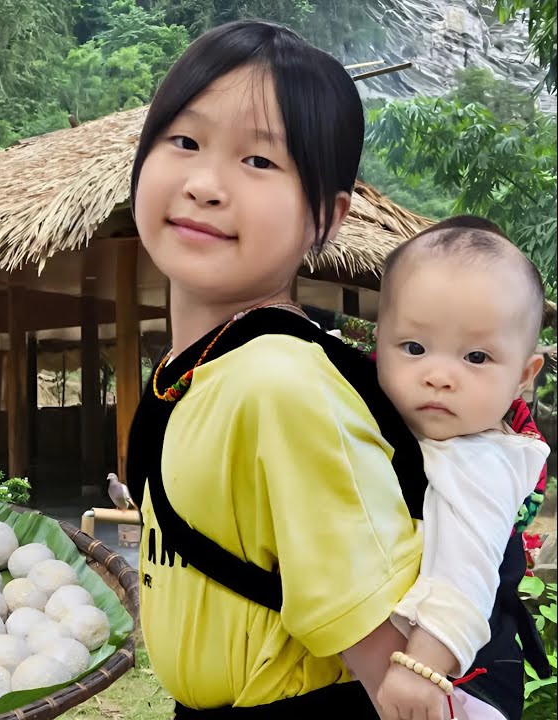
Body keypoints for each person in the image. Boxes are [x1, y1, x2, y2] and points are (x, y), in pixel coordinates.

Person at [122, 20, 425, 716]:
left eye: (259, 161)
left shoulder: (281, 384)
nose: (206, 185)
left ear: (327, 217)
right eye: (185, 142)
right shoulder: (190, 369)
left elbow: (393, 672)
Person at [371, 222, 549, 720]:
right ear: (379, 342)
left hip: (458, 678)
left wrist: (422, 666)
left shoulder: (483, 459)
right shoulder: (386, 424)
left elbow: (465, 570)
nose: (439, 376)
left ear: (523, 376)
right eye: (413, 348)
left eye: (476, 357)